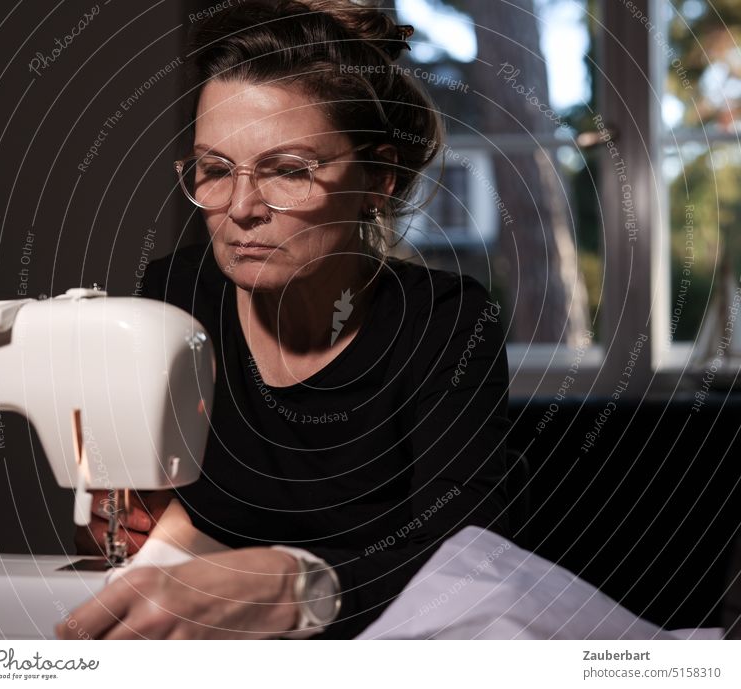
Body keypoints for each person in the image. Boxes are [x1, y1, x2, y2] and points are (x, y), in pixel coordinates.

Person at [58, 0, 510, 640]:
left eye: (289, 171)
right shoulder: (172, 296)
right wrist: (124, 519)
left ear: (377, 176)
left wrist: (297, 587)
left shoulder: (445, 321)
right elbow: (133, 517)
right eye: (215, 170)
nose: (240, 208)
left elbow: (469, 562)